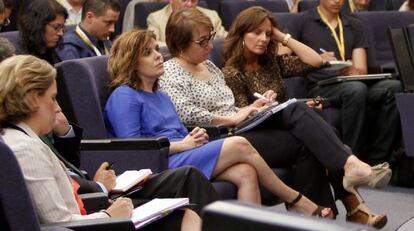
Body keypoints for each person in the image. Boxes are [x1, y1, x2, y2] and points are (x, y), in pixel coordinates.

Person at [160, 7, 389, 229]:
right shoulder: (171, 70)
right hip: (217, 139)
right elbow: (185, 112)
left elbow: (314, 62)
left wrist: (254, 107)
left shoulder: (209, 65)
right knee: (303, 125)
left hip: (241, 126)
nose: (211, 45)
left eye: (210, 38)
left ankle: (320, 219)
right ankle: (346, 174)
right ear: (180, 43)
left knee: (304, 130)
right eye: (202, 42)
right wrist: (232, 118)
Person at [104, 28, 335, 218]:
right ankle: (296, 200)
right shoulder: (124, 95)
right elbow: (133, 148)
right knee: (240, 144)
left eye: (156, 49)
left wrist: (192, 139)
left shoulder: (161, 95)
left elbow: (176, 133)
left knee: (245, 172)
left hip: (183, 152)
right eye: (147, 52)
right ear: (131, 62)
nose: (157, 55)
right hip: (160, 163)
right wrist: (183, 145)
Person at [0, 55, 217, 231]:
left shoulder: (21, 138)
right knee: (187, 216)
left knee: (187, 212)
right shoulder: (25, 149)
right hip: (89, 225)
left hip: (88, 216)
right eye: (53, 98)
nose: (57, 107)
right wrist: (108, 215)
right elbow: (58, 223)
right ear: (31, 99)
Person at [286, 0, 402, 166]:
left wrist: (355, 70)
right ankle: (348, 159)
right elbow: (281, 56)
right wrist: (314, 59)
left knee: (394, 87)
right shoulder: (302, 21)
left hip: (350, 81)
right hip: (320, 85)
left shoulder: (354, 24)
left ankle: (378, 160)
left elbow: (361, 68)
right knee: (355, 90)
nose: (337, 1)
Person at [146, 0, 227, 46]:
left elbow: (225, 40)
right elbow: (153, 44)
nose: (189, 4)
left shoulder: (212, 15)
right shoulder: (155, 18)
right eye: (184, 0)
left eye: (193, 1)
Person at [19, 0, 67, 65]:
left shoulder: (52, 53)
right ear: (39, 25)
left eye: (62, 27)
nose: (61, 33)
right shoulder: (20, 58)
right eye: (56, 27)